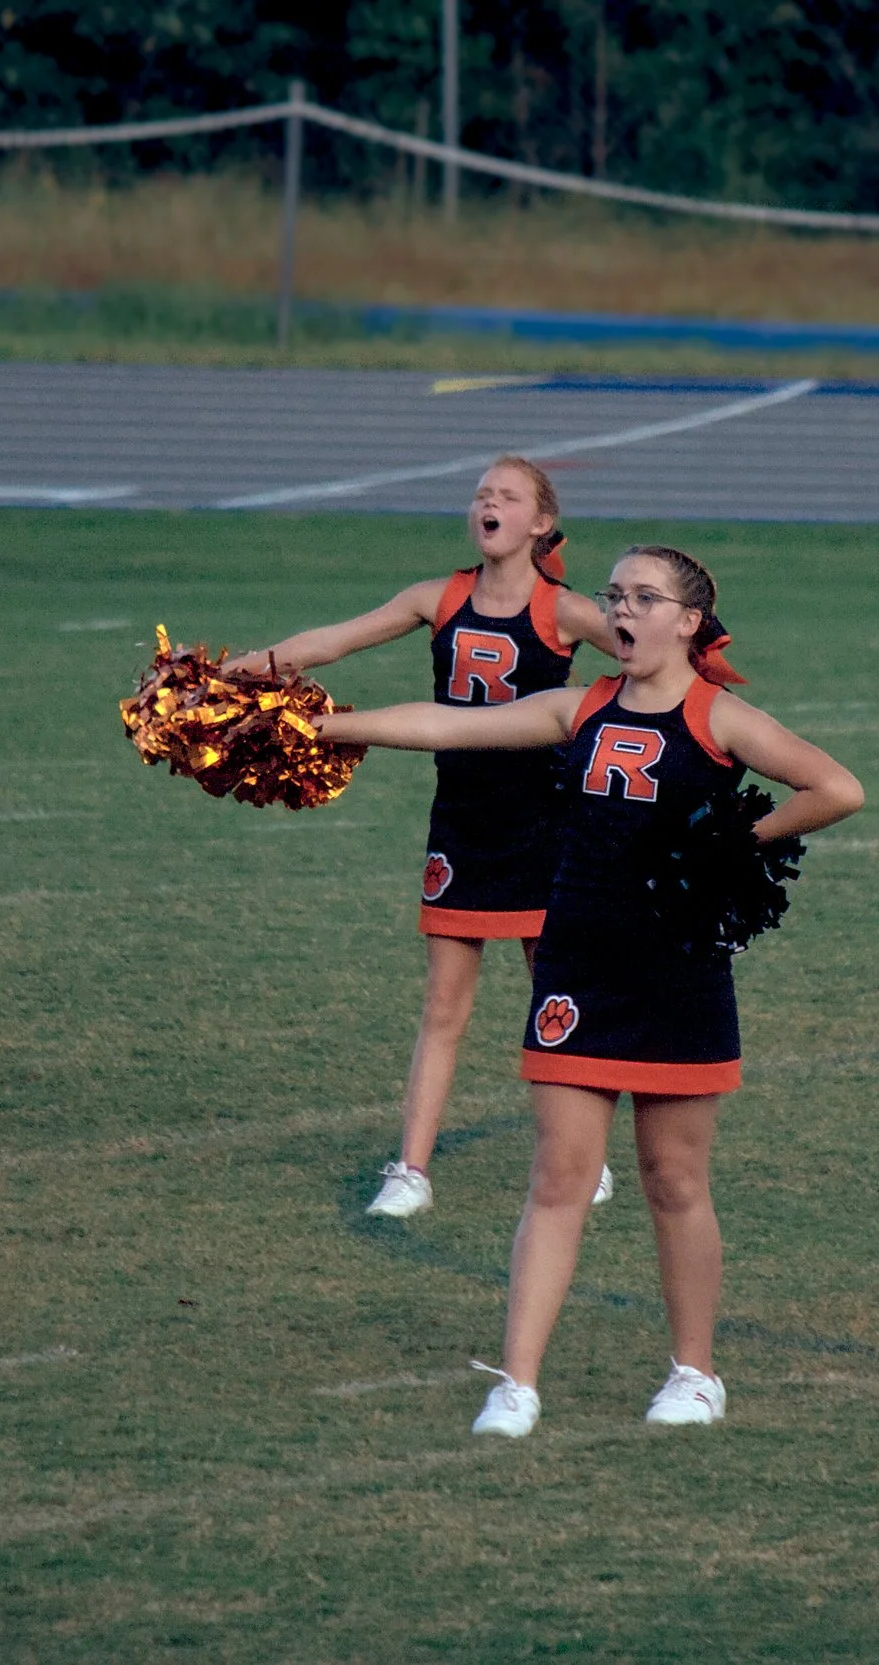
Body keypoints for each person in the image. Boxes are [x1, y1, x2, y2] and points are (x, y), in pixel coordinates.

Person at [318, 545, 866, 1436]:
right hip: (576, 968)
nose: (623, 610)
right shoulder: (580, 709)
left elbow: (837, 787)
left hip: (677, 974)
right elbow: (450, 726)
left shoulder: (718, 716)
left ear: (688, 622)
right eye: (615, 595)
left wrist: (742, 844)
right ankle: (518, 1382)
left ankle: (695, 1372)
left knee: (674, 1178)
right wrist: (329, 728)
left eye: (645, 597)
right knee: (559, 1174)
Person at [234, 457, 620, 1220]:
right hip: (465, 825)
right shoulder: (437, 597)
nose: (489, 502)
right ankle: (410, 1169)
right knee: (444, 1005)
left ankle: (586, 1157)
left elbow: (648, 659)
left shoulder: (565, 611)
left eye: (507, 496)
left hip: (549, 826)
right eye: (481, 493)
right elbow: (335, 641)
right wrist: (243, 671)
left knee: (558, 995)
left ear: (540, 523)